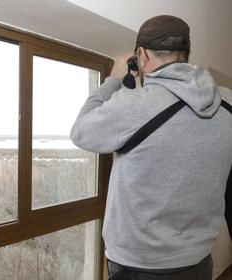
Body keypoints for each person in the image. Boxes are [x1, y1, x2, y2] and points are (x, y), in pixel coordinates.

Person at [71, 15, 232, 280]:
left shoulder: (134, 105)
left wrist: (113, 80)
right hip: (199, 262)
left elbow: (81, 132)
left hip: (139, 266)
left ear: (141, 55)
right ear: (186, 53)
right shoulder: (227, 102)